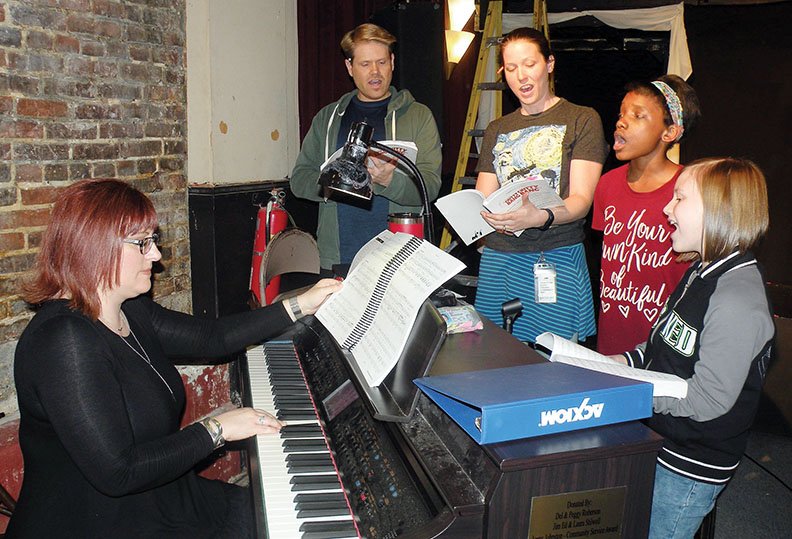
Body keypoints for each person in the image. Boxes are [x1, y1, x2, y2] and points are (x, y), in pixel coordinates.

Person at [8, 179, 342, 538]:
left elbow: (212, 338)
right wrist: (218, 429)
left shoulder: (130, 310)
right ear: (95, 247)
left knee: (274, 520)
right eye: (142, 243)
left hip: (160, 495)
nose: (156, 255)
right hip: (97, 522)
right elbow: (119, 471)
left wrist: (300, 304)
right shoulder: (63, 342)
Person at [617, 158, 774, 538]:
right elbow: (659, 346)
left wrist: (632, 390)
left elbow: (707, 400)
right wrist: (613, 365)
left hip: (689, 463)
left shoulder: (737, 298)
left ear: (719, 211)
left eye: (679, 199)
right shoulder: (699, 272)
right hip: (662, 441)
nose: (667, 209)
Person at [474, 27, 608, 343]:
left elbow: (580, 201)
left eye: (530, 64)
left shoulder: (582, 118)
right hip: (500, 257)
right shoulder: (498, 127)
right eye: (511, 68)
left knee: (554, 363)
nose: (521, 76)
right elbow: (483, 194)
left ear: (549, 63)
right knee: (494, 356)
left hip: (555, 256)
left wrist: (541, 217)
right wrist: (481, 215)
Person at [290, 23, 442, 271]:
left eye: (382, 62)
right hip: (338, 254)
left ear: (392, 62)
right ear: (349, 67)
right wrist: (334, 185)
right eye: (365, 64)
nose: (375, 72)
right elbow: (299, 179)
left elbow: (430, 187)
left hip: (400, 253)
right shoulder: (327, 118)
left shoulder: (417, 116)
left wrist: (388, 181)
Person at [592, 75, 702, 355]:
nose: (621, 122)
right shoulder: (607, 184)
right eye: (621, 114)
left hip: (664, 345)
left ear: (670, 133)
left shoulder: (689, 188)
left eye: (638, 115)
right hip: (612, 341)